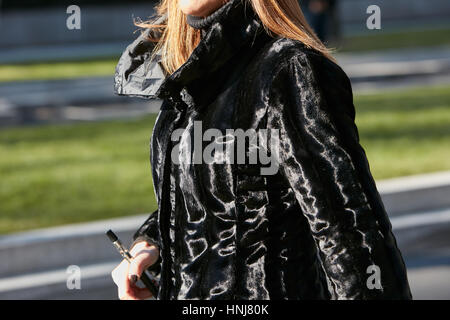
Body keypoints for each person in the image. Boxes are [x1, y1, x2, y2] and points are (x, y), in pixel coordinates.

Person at [111, 0, 412, 300]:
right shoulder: (192, 73)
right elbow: (214, 191)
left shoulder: (290, 70)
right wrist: (151, 242)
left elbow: (352, 235)